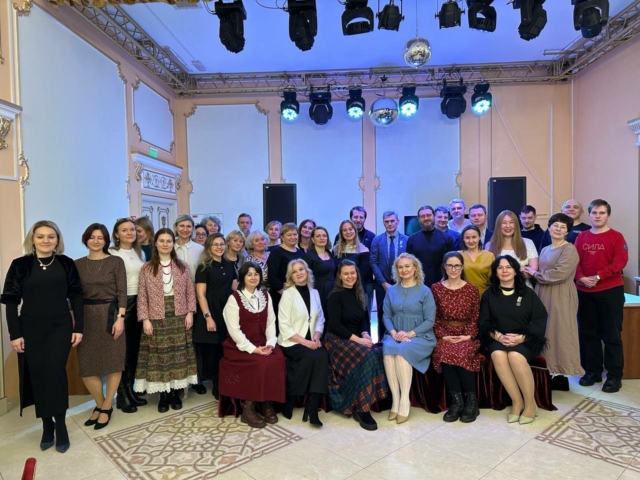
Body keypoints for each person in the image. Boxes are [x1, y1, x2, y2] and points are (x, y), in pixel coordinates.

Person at [1, 220, 83, 453]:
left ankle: (61, 425)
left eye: (51, 236)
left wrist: (79, 327)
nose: (46, 240)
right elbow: (10, 301)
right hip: (31, 329)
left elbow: (77, 296)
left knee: (55, 374)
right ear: (33, 239)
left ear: (57, 240)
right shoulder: (20, 265)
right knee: (38, 376)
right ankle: (47, 425)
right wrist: (15, 334)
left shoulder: (66, 263)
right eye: (40, 236)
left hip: (60, 328)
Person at [479, 256, 548, 425]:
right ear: (495, 272)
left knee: (515, 356)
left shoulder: (528, 293)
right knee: (498, 354)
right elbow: (484, 323)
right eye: (500, 268)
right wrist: (500, 337)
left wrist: (521, 338)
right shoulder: (489, 295)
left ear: (516, 271)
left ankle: (530, 404)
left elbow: (540, 318)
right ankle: (517, 402)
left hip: (526, 338)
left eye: (509, 267)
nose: (504, 271)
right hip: (498, 336)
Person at [136, 228, 198, 413]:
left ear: (173, 243)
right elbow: (142, 295)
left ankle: (174, 393)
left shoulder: (182, 266)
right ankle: (163, 394)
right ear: (155, 243)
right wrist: (145, 319)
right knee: (160, 355)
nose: (165, 244)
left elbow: (190, 291)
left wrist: (190, 313)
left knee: (178, 355)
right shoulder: (147, 268)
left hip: (179, 314)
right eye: (161, 241)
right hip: (156, 316)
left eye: (168, 241)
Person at [522, 214, 584, 391]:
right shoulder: (545, 249)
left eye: (563, 227)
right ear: (549, 228)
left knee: (560, 332)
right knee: (546, 331)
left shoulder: (569, 249)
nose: (558, 229)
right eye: (555, 225)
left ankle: (561, 375)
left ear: (567, 232)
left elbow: (559, 274)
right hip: (543, 293)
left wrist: (534, 274)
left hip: (560, 294)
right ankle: (548, 371)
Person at [325, 260, 388, 431]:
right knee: (368, 354)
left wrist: (365, 333)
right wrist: (359, 340)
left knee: (378, 351)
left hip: (353, 338)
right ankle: (362, 409)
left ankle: (375, 399)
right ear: (340, 276)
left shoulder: (360, 293)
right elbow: (335, 325)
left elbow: (363, 320)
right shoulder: (335, 296)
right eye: (345, 273)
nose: (349, 276)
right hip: (336, 340)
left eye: (352, 273)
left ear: (357, 274)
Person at [221, 262, 286, 428]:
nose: (253, 277)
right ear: (242, 277)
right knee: (259, 363)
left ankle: (266, 403)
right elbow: (234, 330)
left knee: (277, 359)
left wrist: (270, 344)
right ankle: (248, 408)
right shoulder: (234, 299)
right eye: (249, 274)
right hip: (239, 346)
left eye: (256, 274)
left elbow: (271, 323)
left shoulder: (265, 296)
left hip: (263, 342)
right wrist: (253, 349)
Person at [75, 223, 127, 430]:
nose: (96, 241)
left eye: (100, 238)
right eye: (92, 237)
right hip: (86, 317)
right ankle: (100, 403)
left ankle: (106, 407)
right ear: (85, 239)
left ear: (106, 240)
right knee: (87, 365)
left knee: (113, 361)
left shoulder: (115, 262)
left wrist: (120, 318)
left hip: (111, 315)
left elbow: (122, 292)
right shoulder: (77, 264)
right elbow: (73, 293)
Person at [575, 199, 628, 393]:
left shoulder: (616, 237)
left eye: (602, 213)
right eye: (594, 213)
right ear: (589, 215)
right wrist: (581, 277)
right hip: (584, 292)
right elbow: (575, 261)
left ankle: (614, 376)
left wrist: (598, 276)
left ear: (608, 215)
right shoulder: (582, 237)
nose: (598, 216)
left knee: (611, 334)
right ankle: (593, 372)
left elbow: (620, 262)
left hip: (610, 291)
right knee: (588, 334)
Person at [381, 253, 436, 424]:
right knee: (388, 351)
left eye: (407, 266)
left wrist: (409, 334)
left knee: (401, 351)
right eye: (400, 267)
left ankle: (405, 400)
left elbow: (430, 320)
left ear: (415, 268)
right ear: (396, 270)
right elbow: (386, 316)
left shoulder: (425, 291)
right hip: (395, 333)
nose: (404, 270)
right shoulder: (391, 290)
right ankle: (395, 400)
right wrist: (393, 333)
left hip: (419, 335)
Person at [431, 252, 482, 423]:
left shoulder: (472, 289)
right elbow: (433, 316)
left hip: (466, 334)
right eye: (450, 265)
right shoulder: (435, 288)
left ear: (462, 267)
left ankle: (472, 403)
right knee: (445, 353)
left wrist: (467, 336)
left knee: (461, 353)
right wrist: (443, 336)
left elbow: (475, 316)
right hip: (444, 334)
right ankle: (457, 402)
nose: (453, 269)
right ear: (445, 267)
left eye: (457, 266)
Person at [277, 259, 328, 427]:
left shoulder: (315, 292)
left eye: (301, 269)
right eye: (294, 271)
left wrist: (317, 336)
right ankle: (292, 399)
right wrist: (305, 342)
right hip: (291, 341)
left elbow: (320, 319)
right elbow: (284, 325)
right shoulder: (288, 294)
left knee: (322, 355)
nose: (299, 273)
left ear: (307, 272)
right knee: (313, 357)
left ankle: (312, 408)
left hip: (311, 340)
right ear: (290, 277)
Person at [110, 217, 148, 413]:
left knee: (134, 351)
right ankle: (122, 394)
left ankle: (131, 390)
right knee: (122, 352)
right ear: (116, 234)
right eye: (124, 230)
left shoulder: (139, 252)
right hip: (122, 305)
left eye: (132, 229)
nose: (129, 233)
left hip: (139, 302)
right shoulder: (111, 253)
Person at [193, 233, 238, 399]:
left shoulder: (229, 265)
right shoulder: (203, 267)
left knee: (226, 347)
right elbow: (201, 295)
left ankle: (226, 381)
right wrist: (208, 317)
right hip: (211, 309)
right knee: (213, 350)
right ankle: (216, 385)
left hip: (228, 308)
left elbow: (235, 288)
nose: (219, 247)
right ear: (209, 247)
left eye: (221, 244)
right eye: (215, 244)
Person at [370, 210, 408, 341]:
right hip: (382, 286)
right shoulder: (377, 240)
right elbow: (373, 262)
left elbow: (409, 262)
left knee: (401, 314)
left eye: (392, 221)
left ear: (397, 221)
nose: (390, 224)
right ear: (383, 223)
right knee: (383, 315)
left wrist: (402, 282)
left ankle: (400, 340)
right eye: (387, 221)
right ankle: (381, 342)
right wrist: (383, 283)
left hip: (402, 285)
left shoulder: (406, 240)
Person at [334, 207, 376, 312]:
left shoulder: (371, 237)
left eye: (361, 217)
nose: (358, 220)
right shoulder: (337, 243)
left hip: (364, 284)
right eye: (356, 217)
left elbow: (371, 263)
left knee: (363, 313)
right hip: (341, 286)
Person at [486, 210, 538, 287]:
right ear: (498, 225)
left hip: (524, 289)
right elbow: (490, 273)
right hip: (498, 289)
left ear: (516, 225)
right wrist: (519, 269)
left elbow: (533, 271)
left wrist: (504, 273)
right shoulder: (489, 245)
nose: (508, 226)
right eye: (504, 223)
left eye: (511, 222)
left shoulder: (528, 243)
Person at [406, 205, 454, 286]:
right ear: (419, 219)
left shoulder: (447, 239)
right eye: (422, 216)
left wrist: (444, 280)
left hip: (442, 283)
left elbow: (451, 262)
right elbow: (409, 263)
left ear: (434, 216)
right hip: (418, 284)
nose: (426, 218)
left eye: (428, 215)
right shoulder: (412, 239)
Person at [266, 223, 305, 314]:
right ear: (282, 237)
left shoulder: (300, 253)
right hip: (281, 296)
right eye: (289, 235)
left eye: (295, 234)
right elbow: (272, 277)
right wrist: (285, 294)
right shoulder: (276, 252)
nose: (293, 237)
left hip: (298, 294)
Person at [303, 226, 336, 312]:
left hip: (333, 290)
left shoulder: (330, 253)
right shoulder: (308, 256)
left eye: (324, 235)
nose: (322, 238)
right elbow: (305, 277)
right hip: (318, 292)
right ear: (313, 239)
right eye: (318, 236)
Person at [459, 225, 495, 295]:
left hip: (485, 295)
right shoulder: (458, 255)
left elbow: (493, 280)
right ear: (463, 239)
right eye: (467, 238)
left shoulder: (489, 256)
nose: (471, 241)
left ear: (479, 237)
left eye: (474, 237)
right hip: (463, 296)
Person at [333, 220, 370, 284]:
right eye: (344, 230)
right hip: (338, 286)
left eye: (350, 229)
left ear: (355, 231)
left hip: (357, 286)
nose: (348, 232)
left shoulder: (363, 250)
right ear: (341, 233)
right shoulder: (336, 249)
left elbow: (363, 275)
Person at [174, 214, 204, 282]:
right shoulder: (169, 247)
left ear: (193, 229)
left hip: (195, 287)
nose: (185, 229)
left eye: (188, 226)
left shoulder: (200, 249)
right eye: (182, 226)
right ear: (176, 227)